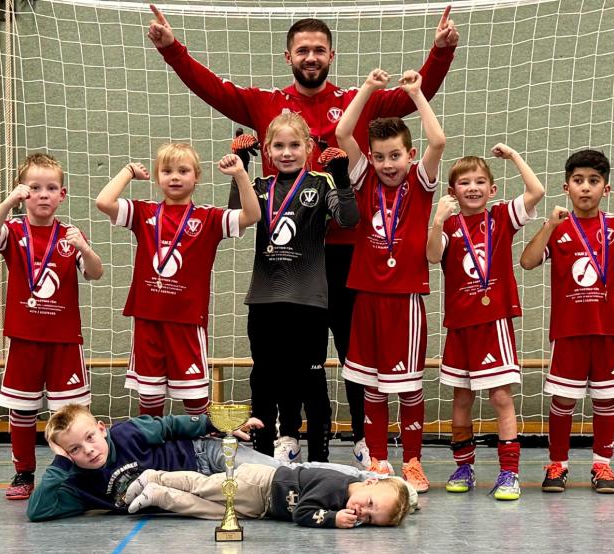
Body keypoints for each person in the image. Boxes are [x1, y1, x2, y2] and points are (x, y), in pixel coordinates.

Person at [148, 5, 459, 466]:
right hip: (288, 259)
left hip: (351, 254)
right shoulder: (264, 103)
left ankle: (362, 438)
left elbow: (413, 98)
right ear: (287, 56)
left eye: (318, 50)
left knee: (355, 350)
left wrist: (441, 53)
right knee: (292, 354)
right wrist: (172, 49)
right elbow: (211, 88)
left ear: (332, 55)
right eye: (302, 50)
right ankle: (289, 433)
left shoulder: (358, 102)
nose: (310, 57)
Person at [520, 149, 614, 494]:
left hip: (609, 329)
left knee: (606, 401)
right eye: (578, 181)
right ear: (566, 187)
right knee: (563, 400)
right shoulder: (558, 228)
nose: (585, 187)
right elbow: (527, 261)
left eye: (593, 181)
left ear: (606, 188)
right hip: (569, 331)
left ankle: (602, 466)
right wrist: (549, 225)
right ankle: (557, 464)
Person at [335, 68, 446, 493]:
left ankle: (413, 462)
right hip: (366, 296)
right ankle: (379, 460)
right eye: (379, 157)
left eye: (395, 156)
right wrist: (367, 89)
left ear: (409, 154)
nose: (387, 165)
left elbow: (439, 141)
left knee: (408, 387)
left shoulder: (420, 182)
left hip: (405, 299)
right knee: (371, 385)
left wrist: (416, 94)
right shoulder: (364, 179)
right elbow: (343, 132)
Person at [227, 113, 359, 463]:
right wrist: (240, 170)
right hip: (264, 298)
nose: (287, 153)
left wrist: (342, 177)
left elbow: (349, 219)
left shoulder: (322, 183)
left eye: (295, 145)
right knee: (264, 381)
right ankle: (262, 460)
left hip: (308, 300)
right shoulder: (260, 186)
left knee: (310, 381)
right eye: (279, 146)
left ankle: (318, 461)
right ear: (267, 150)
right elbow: (235, 219)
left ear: (309, 147)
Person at [95, 145, 260, 417]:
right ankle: (151, 443)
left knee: (195, 397)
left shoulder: (208, 218)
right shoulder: (144, 212)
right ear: (158, 177)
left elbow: (251, 215)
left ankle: (200, 443)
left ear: (196, 177)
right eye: (167, 171)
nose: (174, 177)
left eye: (183, 171)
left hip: (187, 322)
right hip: (148, 319)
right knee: (149, 397)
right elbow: (104, 202)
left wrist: (240, 174)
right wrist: (128, 171)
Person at [0, 153, 104, 500]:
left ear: (62, 194)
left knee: (71, 413)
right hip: (24, 338)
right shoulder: (14, 230)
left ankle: (78, 473)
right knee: (22, 410)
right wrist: (9, 202)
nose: (43, 194)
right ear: (23, 192)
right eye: (34, 188)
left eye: (51, 188)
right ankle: (23, 472)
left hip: (64, 340)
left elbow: (95, 273)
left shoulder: (69, 234)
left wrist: (85, 248)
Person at [27, 403, 388, 522]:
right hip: (199, 492)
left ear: (102, 429)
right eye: (75, 449)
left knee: (288, 474)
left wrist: (219, 424)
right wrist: (59, 462)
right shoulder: (77, 483)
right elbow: (37, 510)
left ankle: (370, 479)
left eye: (90, 438)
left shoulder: (127, 433)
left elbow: (172, 425)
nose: (89, 450)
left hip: (204, 456)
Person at [425, 145, 545, 500]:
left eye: (480, 182)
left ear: (492, 189)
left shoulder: (502, 217)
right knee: (461, 398)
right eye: (464, 183)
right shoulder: (448, 225)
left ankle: (509, 473)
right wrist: (437, 219)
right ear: (453, 191)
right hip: (460, 325)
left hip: (494, 323)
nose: (473, 188)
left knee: (500, 397)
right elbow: (432, 256)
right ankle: (464, 466)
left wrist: (514, 157)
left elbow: (536, 191)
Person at [125, 464, 412, 528]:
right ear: (369, 481)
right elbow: (302, 513)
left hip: (264, 508)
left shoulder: (348, 500)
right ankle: (156, 477)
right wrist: (333, 519)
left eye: (370, 519)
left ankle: (160, 495)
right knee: (205, 486)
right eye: (370, 503)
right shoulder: (336, 486)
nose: (363, 512)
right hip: (261, 484)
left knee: (209, 511)